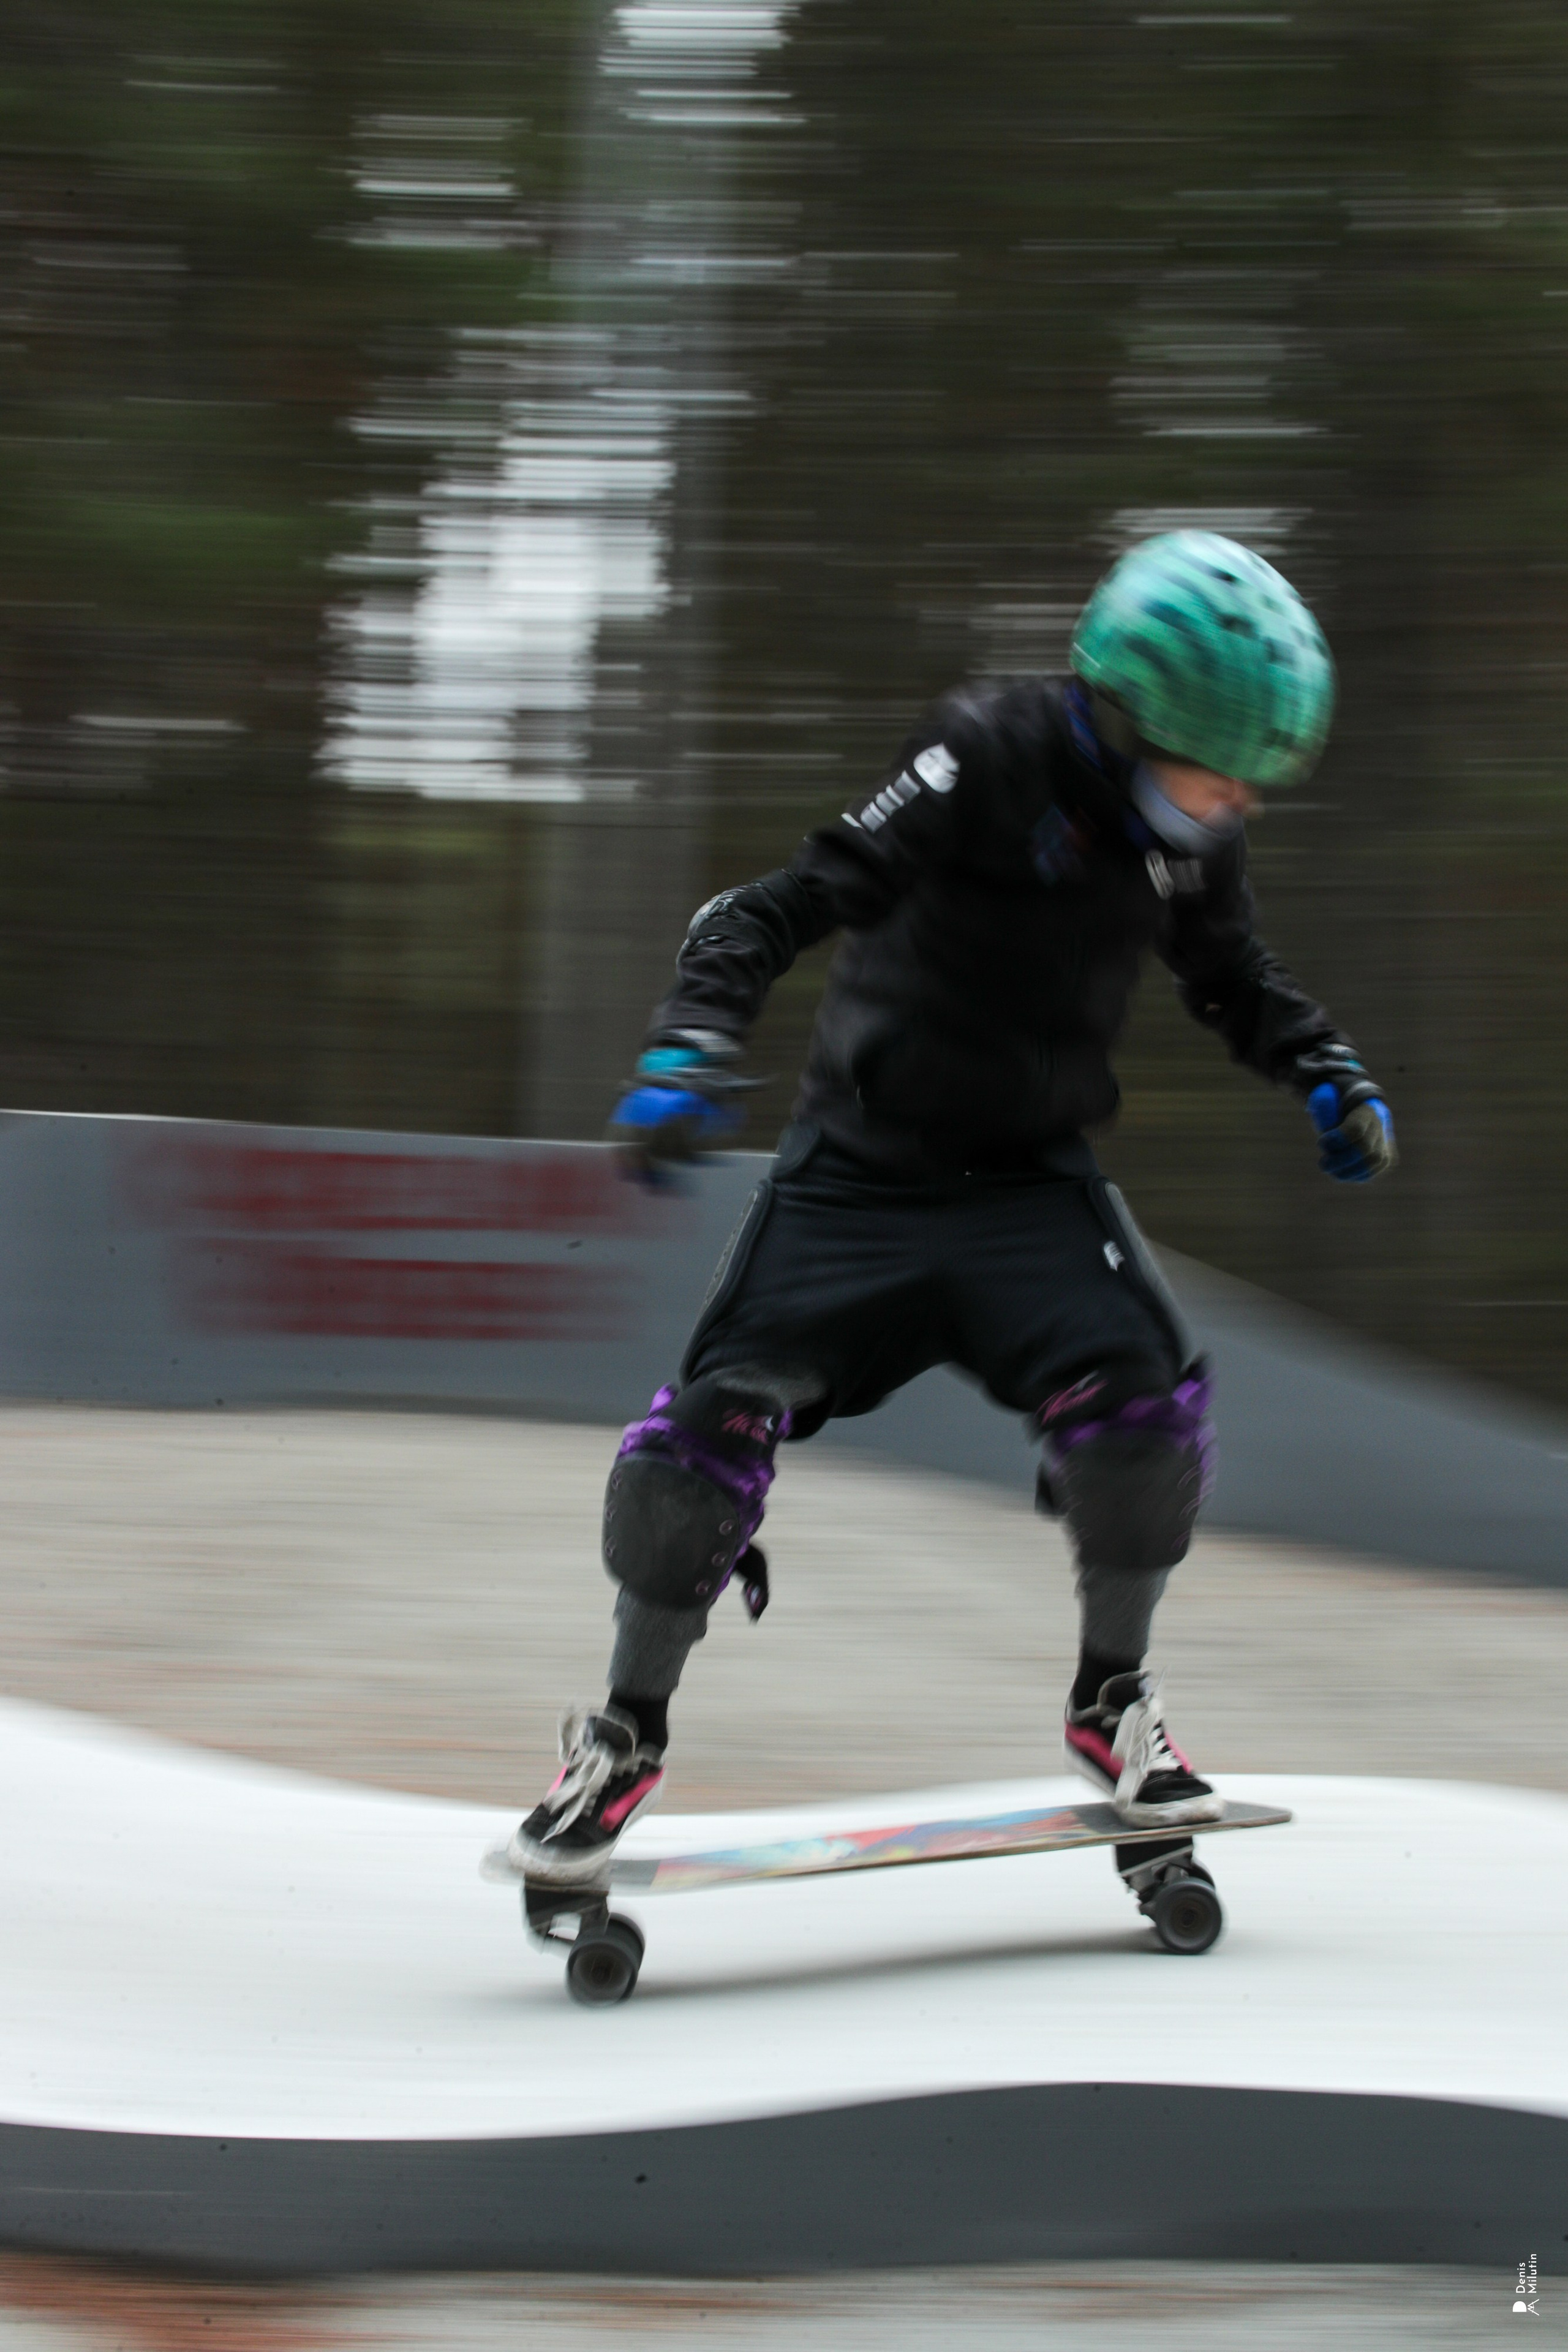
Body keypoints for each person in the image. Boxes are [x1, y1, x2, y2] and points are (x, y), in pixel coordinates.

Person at [508, 529, 1395, 1887]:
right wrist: (687, 1047)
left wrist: (1319, 1063)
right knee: (694, 1457)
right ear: (1124, 718)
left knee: (1142, 1426)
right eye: (1220, 777)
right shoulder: (985, 754)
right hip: (858, 1172)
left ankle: (1111, 1706)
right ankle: (622, 1736)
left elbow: (1230, 973)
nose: (1235, 808)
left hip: (1028, 1189)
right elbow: (767, 910)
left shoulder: (1188, 840)